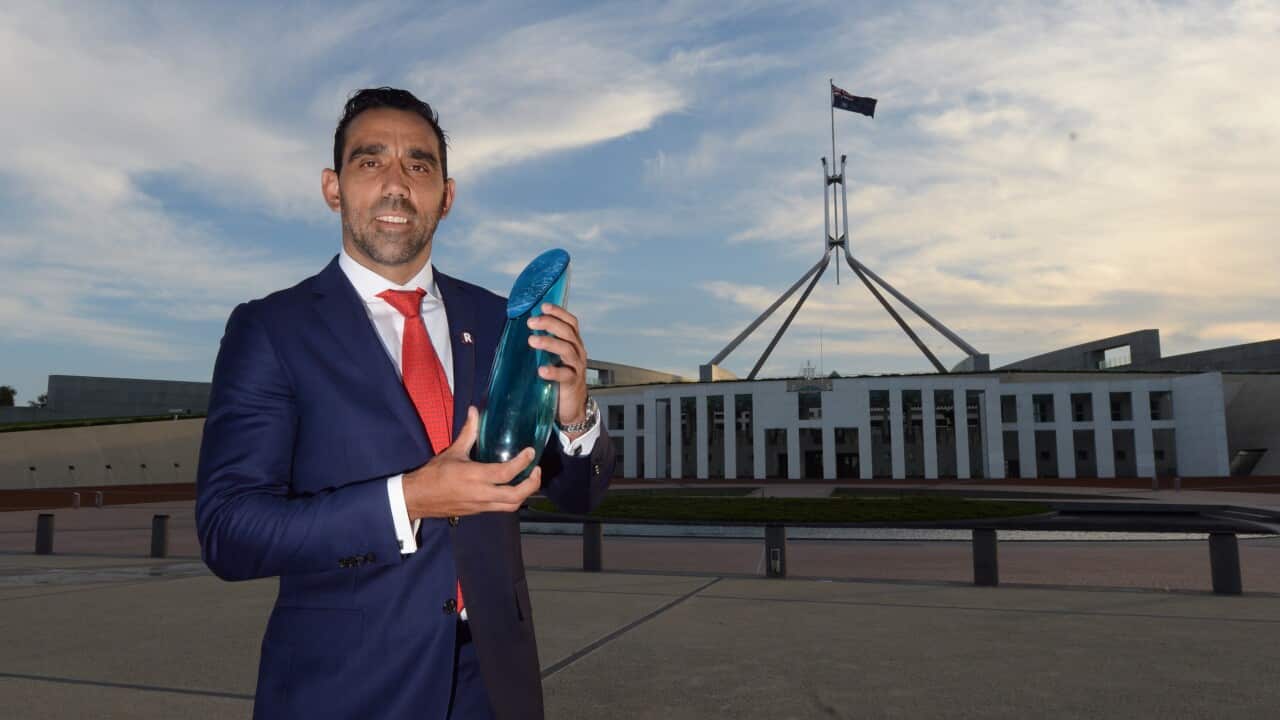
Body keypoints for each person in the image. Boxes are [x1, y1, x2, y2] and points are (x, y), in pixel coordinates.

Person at [196, 87, 613, 720]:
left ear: (447, 195)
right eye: (370, 162)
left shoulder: (502, 319)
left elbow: (577, 494)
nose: (397, 185)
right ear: (333, 188)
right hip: (345, 687)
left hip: (495, 683)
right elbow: (230, 532)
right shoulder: (271, 330)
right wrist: (410, 499)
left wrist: (573, 410)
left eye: (419, 165)